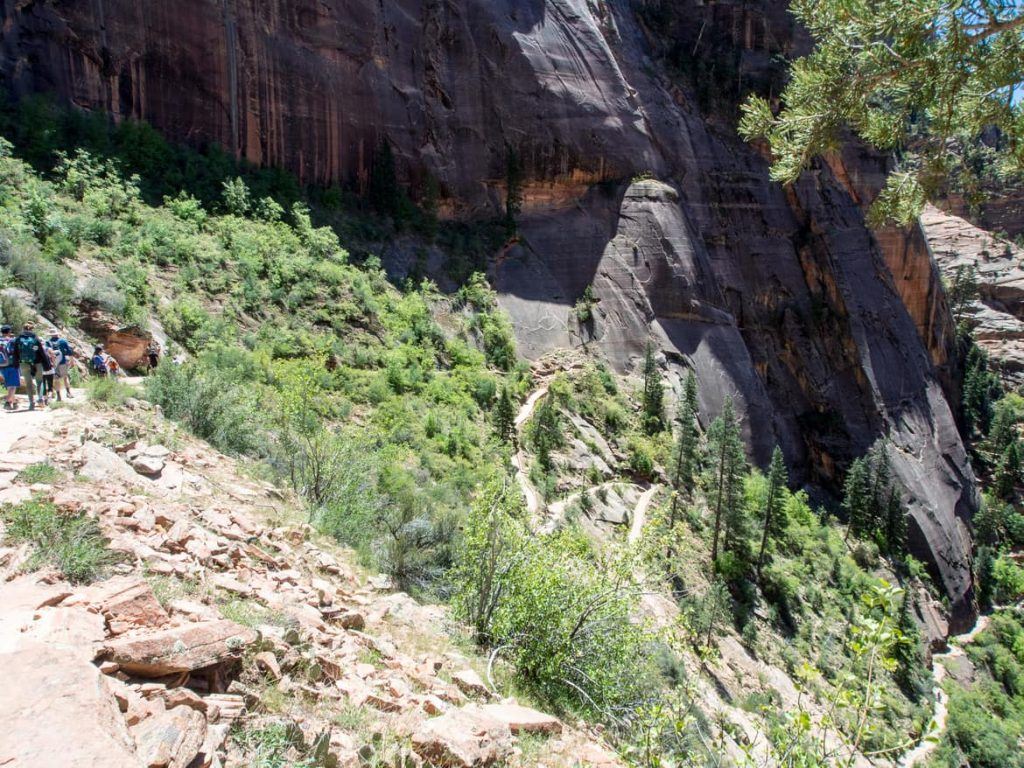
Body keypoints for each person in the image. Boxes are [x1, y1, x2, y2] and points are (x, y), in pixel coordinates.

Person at [15, 322, 45, 411]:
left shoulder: (19, 338)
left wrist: (16, 363)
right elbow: (41, 351)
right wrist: (46, 363)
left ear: (23, 329)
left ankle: (31, 403)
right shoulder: (35, 337)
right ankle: (40, 399)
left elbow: (15, 352)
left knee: (28, 383)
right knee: (39, 381)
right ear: (32, 329)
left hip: (24, 363)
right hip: (37, 362)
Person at [46, 331, 75, 400]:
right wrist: (72, 361)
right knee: (65, 377)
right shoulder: (63, 341)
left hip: (54, 363)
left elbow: (47, 352)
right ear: (57, 334)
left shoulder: (48, 342)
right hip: (63, 362)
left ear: (51, 335)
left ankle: (59, 396)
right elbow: (69, 351)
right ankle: (68, 393)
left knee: (56, 379)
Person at [1, 325, 19, 411]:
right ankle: (7, 402)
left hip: (1, 366)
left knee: (9, 385)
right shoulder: (12, 341)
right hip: (11, 365)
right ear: (9, 332)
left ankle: (14, 402)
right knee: (13, 385)